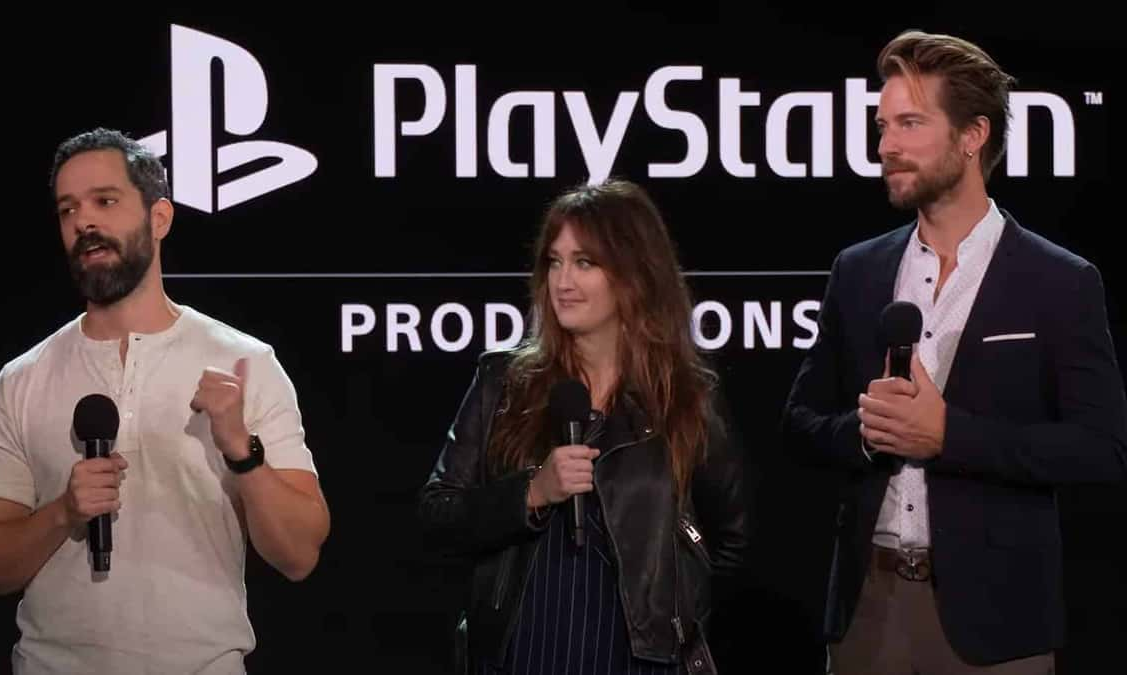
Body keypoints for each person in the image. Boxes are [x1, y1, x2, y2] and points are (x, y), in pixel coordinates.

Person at [782, 30, 1127, 674]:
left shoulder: (1060, 280)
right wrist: (865, 434)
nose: (886, 145)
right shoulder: (857, 271)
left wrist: (947, 435)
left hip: (995, 623)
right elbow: (798, 422)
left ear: (973, 136)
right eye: (883, 125)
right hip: (868, 612)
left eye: (910, 123)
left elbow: (1098, 449)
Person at [0, 128, 331, 674]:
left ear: (159, 219)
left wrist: (241, 452)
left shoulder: (244, 362)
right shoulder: (21, 380)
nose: (85, 223)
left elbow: (299, 556)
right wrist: (62, 513)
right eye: (68, 209)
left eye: (105, 201)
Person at [419, 178, 752, 675]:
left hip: (640, 662)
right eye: (554, 261)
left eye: (585, 262)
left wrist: (672, 618)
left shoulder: (685, 397)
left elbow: (729, 543)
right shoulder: (503, 383)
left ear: (634, 272)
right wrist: (531, 492)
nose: (563, 282)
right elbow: (438, 514)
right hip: (523, 654)